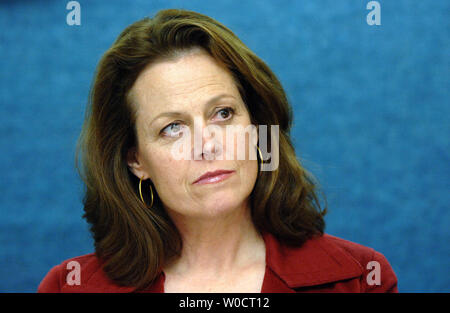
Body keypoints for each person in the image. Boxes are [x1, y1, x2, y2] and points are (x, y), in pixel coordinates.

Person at [38, 9, 397, 293]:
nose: (207, 145)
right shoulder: (68, 287)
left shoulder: (361, 279)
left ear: (258, 129)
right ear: (136, 160)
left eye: (223, 113)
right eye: (172, 128)